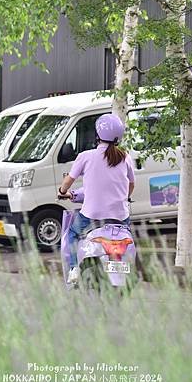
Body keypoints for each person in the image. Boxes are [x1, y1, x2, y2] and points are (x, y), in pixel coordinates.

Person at [58, 114, 135, 285]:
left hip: (91, 216)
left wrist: (63, 190)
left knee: (71, 234)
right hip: (120, 216)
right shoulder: (125, 157)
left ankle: (73, 269)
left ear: (97, 135)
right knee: (128, 235)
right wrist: (126, 198)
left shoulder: (86, 156)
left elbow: (69, 180)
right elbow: (131, 184)